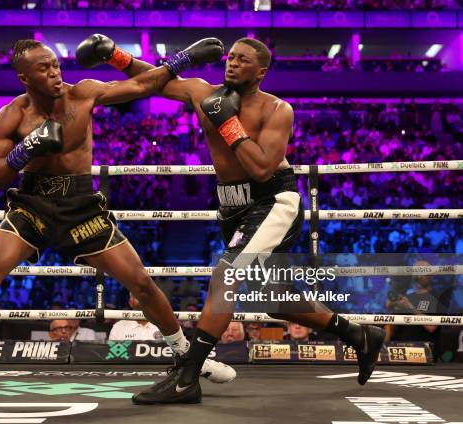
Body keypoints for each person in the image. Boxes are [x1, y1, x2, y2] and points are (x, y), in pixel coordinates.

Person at [0, 37, 233, 409]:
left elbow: (144, 84)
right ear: (24, 78)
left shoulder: (83, 93)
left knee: (142, 283)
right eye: (44, 68)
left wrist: (185, 57)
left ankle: (187, 357)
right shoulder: (12, 115)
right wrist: (25, 151)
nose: (54, 72)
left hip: (82, 207)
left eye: (55, 64)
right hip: (33, 205)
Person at [96, 35, 386, 404]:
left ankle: (187, 377)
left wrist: (228, 123)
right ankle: (358, 335)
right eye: (230, 57)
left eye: (242, 60)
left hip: (272, 202)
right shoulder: (204, 92)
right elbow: (153, 78)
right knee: (272, 297)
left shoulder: (277, 109)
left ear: (261, 71)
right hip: (231, 207)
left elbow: (264, 169)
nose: (232, 63)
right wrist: (114, 54)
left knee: (227, 274)